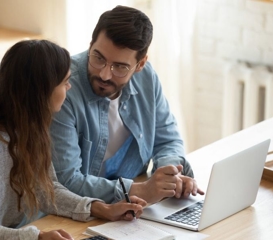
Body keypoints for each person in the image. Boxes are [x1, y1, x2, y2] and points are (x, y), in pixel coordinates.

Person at [0, 39, 146, 240]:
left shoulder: (30, 126)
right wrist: (36, 238)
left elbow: (45, 189)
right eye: (65, 81)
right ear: (42, 90)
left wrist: (100, 208)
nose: (69, 87)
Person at [50, 5, 205, 204]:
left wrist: (169, 175)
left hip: (133, 206)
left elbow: (167, 140)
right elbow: (66, 181)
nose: (104, 74)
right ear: (90, 45)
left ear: (140, 65)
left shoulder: (147, 77)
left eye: (120, 67)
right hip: (81, 209)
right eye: (98, 58)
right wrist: (139, 190)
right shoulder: (64, 88)